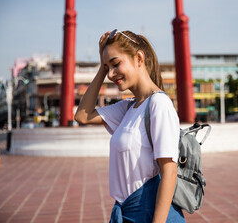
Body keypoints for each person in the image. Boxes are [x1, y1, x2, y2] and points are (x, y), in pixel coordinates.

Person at [74, 29, 185, 223]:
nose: (110, 74)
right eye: (107, 67)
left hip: (150, 214)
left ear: (139, 58)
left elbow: (169, 171)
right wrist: (102, 66)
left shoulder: (159, 104)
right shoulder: (128, 107)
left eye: (116, 64)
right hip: (126, 213)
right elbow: (82, 116)